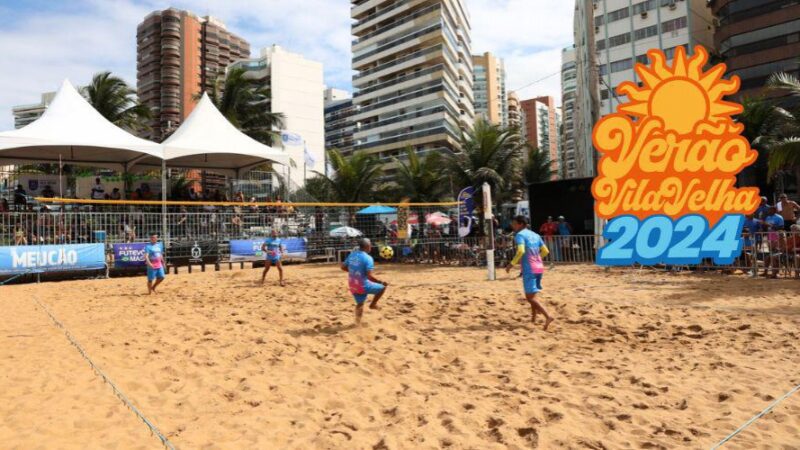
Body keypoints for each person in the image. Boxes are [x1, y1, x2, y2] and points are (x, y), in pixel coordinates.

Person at [506, 215, 554, 330]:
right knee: (532, 294)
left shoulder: (520, 235)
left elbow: (521, 250)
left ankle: (548, 316)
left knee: (530, 298)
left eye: (514, 223)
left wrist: (511, 264)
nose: (512, 225)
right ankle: (533, 318)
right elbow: (545, 251)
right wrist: (536, 258)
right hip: (539, 267)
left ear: (521, 224)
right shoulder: (535, 235)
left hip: (530, 268)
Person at [341, 238, 388, 326]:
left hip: (353, 284)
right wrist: (380, 282)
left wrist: (354, 272)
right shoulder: (368, 258)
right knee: (382, 288)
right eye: (370, 244)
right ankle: (373, 304)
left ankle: (357, 323)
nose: (371, 246)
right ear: (367, 246)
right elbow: (369, 276)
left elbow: (343, 267)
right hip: (363, 285)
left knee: (360, 303)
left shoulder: (352, 255)